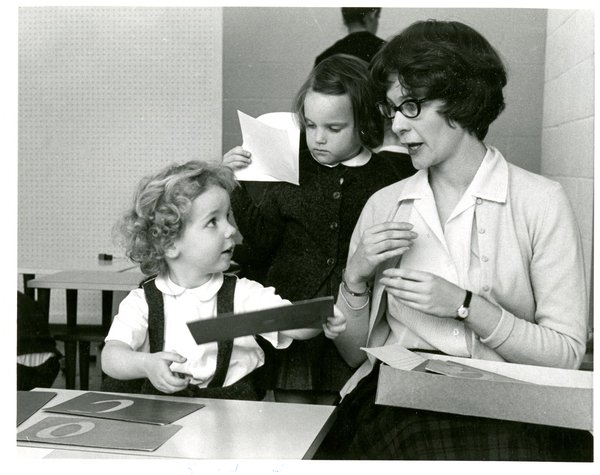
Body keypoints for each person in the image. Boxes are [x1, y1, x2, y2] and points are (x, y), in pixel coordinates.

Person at [315, 20, 592, 460]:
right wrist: (354, 279)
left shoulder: (542, 202)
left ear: (462, 100)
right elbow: (353, 356)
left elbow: (565, 357)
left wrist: (465, 306)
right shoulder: (384, 205)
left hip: (511, 402)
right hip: (402, 402)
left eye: (411, 106)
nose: (398, 128)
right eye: (391, 110)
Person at [223, 54, 414, 404]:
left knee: (341, 420)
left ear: (364, 123)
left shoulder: (387, 176)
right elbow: (261, 240)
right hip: (292, 316)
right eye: (310, 126)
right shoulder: (292, 168)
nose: (318, 139)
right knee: (290, 424)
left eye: (333, 128)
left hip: (351, 321)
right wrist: (234, 183)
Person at [100, 161, 346, 400]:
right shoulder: (143, 300)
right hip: (163, 415)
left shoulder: (243, 294)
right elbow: (111, 357)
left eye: (227, 217)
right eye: (212, 222)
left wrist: (321, 316)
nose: (230, 230)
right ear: (171, 244)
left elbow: (295, 325)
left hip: (231, 413)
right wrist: (146, 365)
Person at [315, 8, 385, 67]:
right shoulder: (387, 50)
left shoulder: (324, 57)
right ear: (372, 15)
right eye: (378, 17)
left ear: (345, 20)